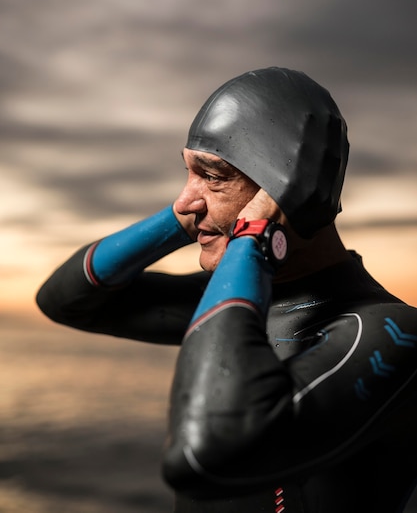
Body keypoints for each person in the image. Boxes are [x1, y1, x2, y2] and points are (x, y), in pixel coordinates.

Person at [36, 67, 417, 513]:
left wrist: (255, 234)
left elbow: (206, 453)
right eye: (188, 172)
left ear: (288, 191)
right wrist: (186, 221)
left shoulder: (391, 334)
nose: (184, 199)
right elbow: (64, 301)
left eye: (213, 175)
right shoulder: (238, 297)